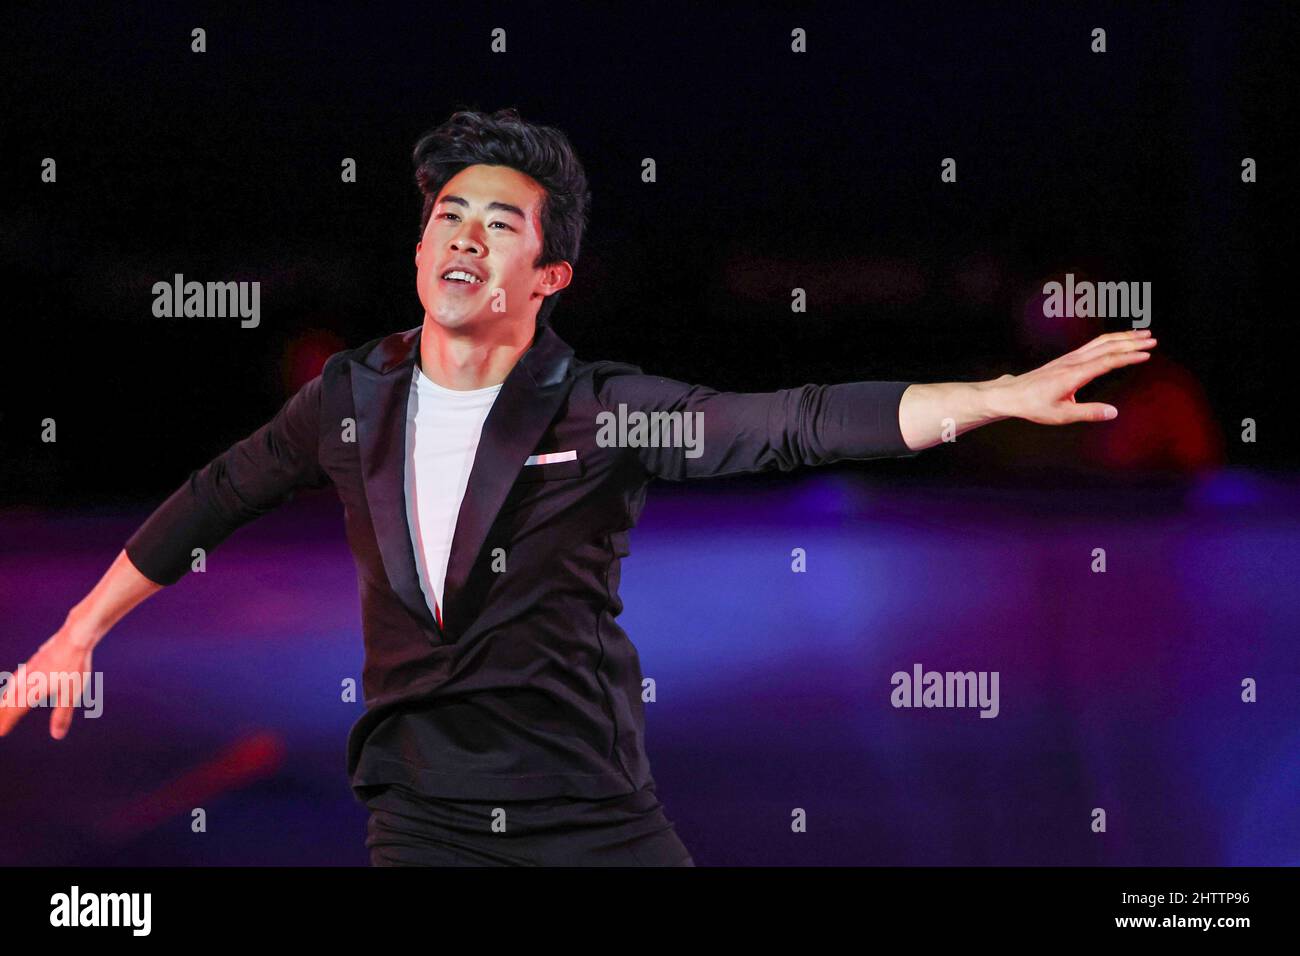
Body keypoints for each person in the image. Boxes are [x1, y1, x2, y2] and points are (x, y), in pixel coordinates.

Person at [0, 108, 1157, 866]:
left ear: (547, 275)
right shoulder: (350, 399)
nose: (461, 235)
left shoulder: (602, 412)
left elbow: (788, 422)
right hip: (424, 817)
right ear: (417, 251)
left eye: (498, 223)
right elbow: (214, 494)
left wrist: (990, 396)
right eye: (446, 214)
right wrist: (77, 628)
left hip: (595, 818)